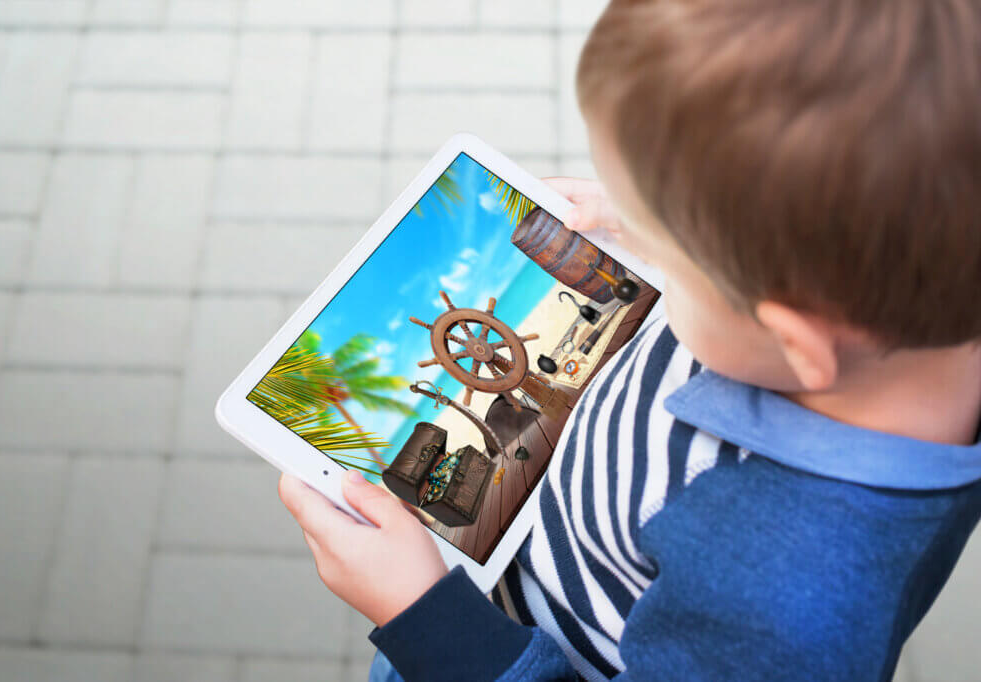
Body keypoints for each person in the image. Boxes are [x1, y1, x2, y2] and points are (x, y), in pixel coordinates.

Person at [277, 0, 981, 679]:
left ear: (792, 337)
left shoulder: (783, 603)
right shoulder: (929, 299)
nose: (642, 256)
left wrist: (422, 617)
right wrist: (673, 221)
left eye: (667, 253)